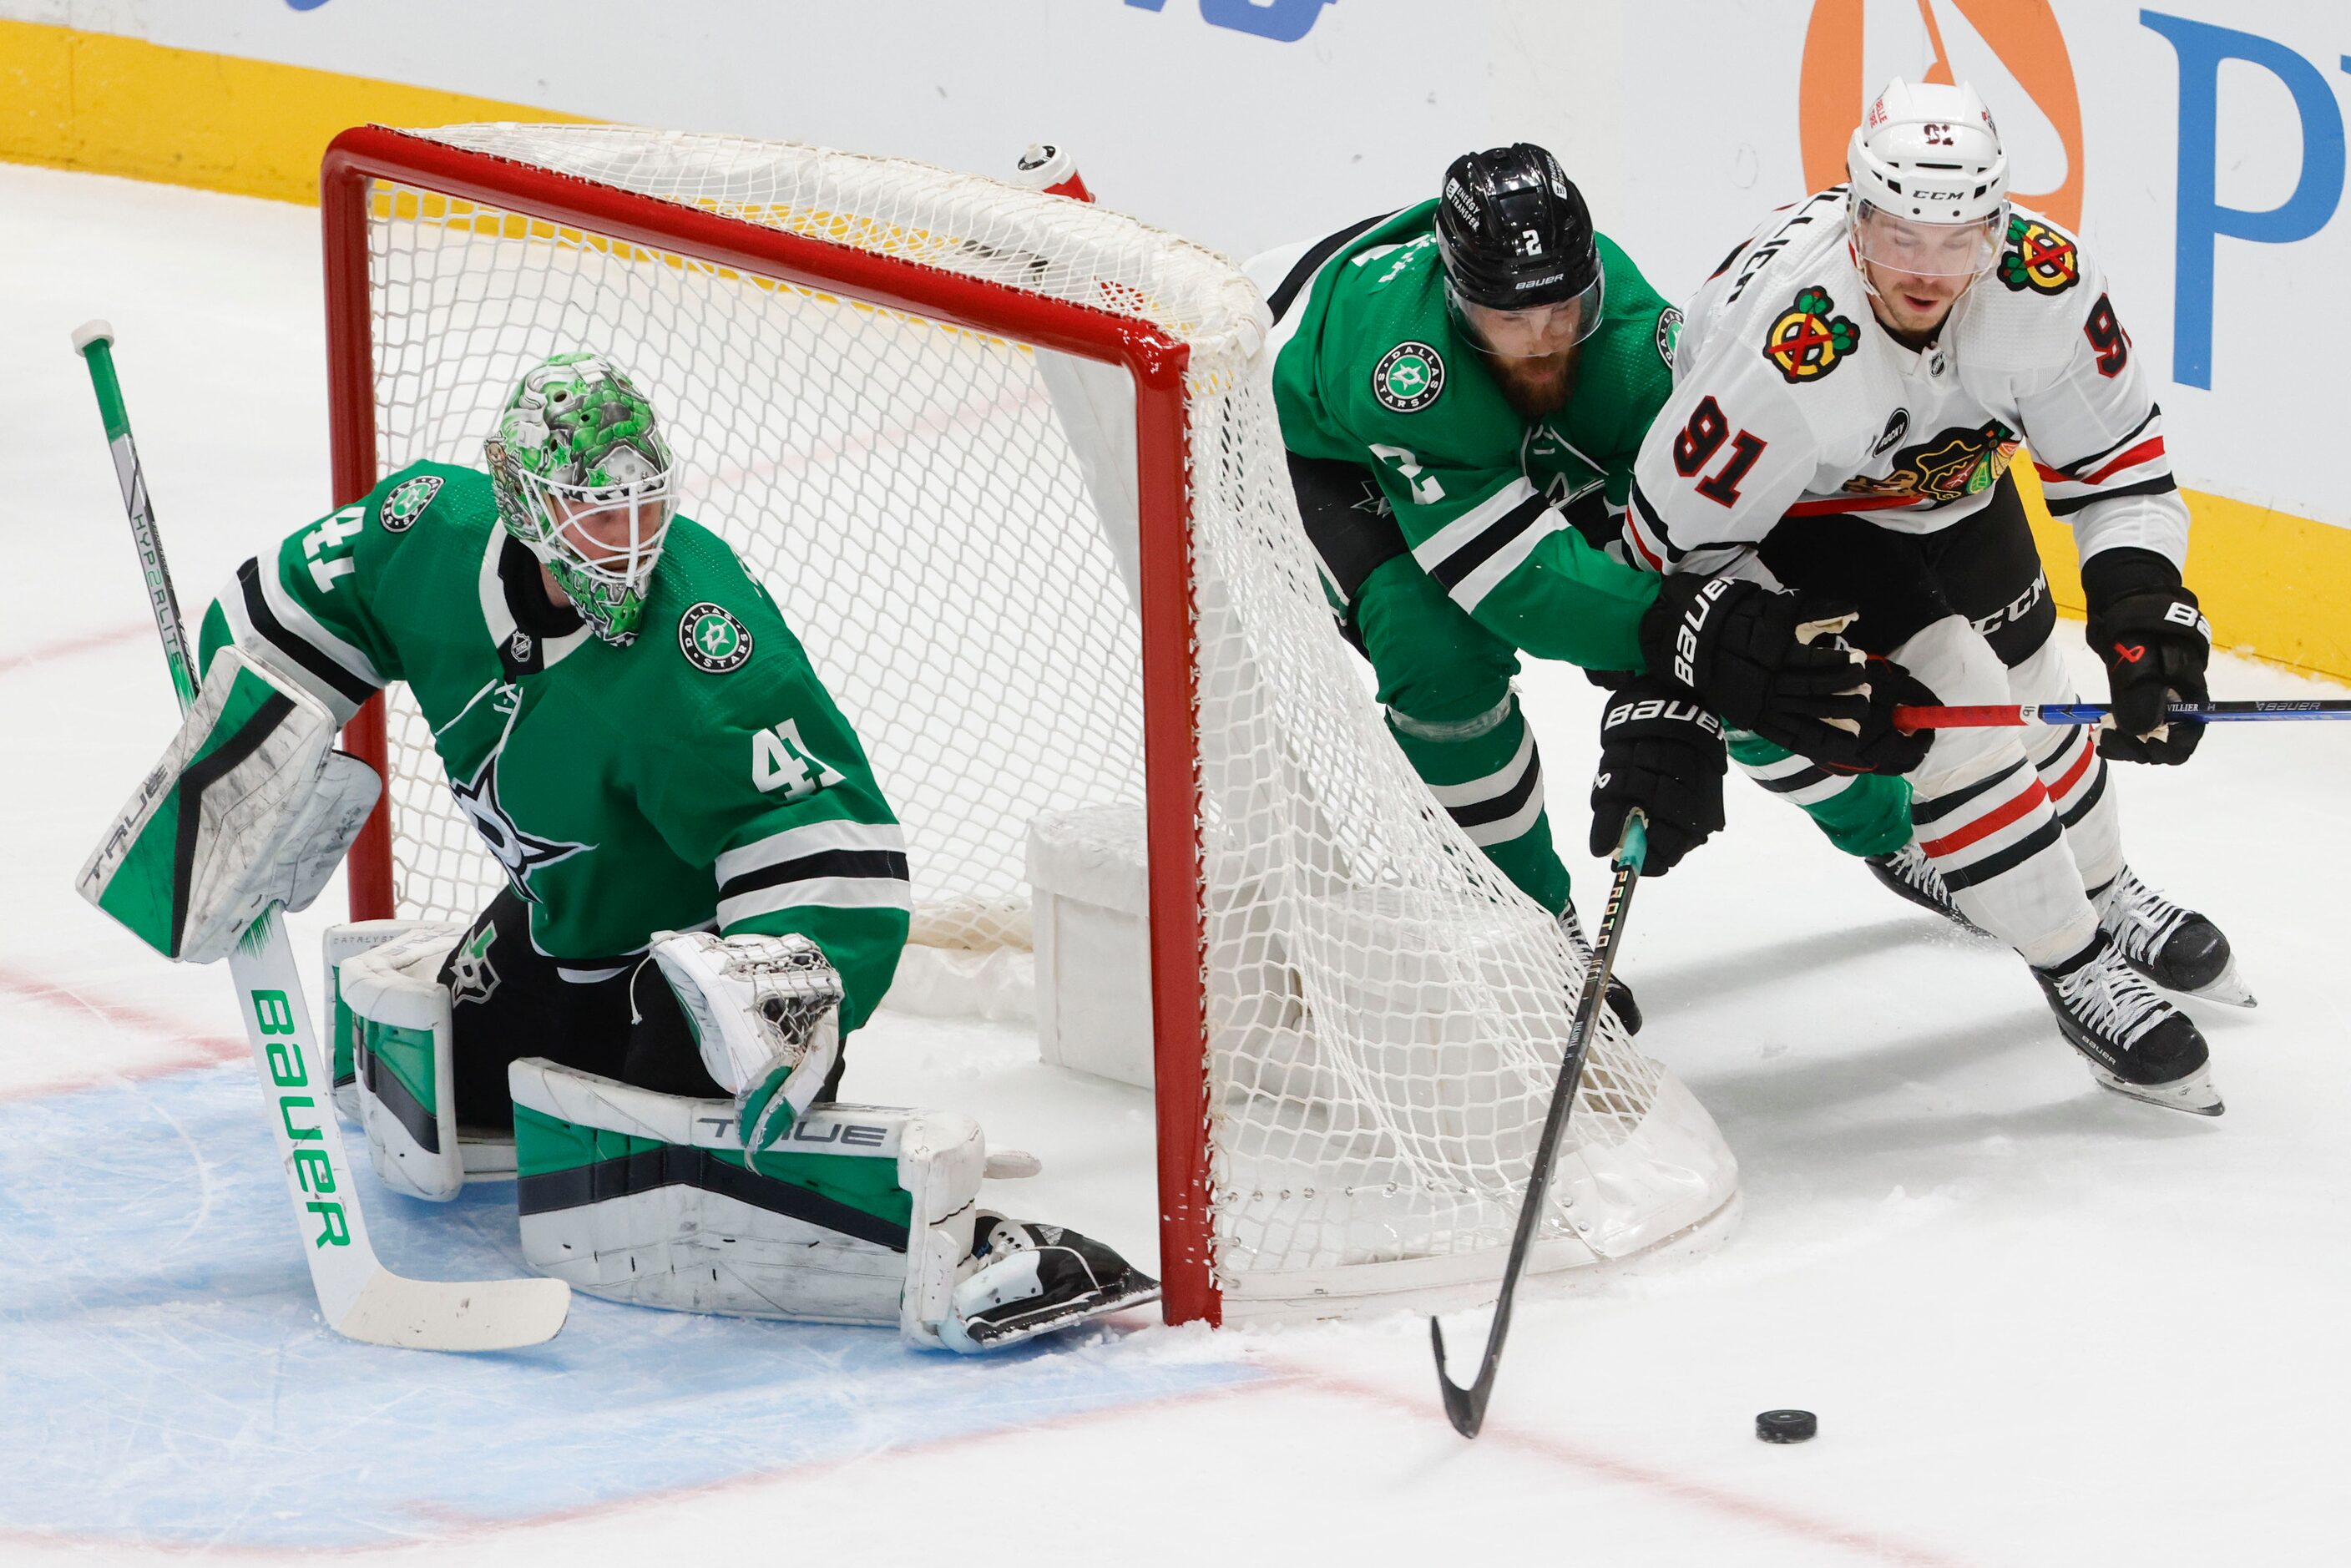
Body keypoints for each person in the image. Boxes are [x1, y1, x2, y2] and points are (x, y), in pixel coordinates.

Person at [92, 352, 1155, 1349]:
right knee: (433, 1099)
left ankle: (989, 1241)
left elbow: (833, 848)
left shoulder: (703, 646)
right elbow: (283, 607)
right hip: (565, 923)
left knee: (679, 1186)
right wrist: (249, 757)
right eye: (596, 516)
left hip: (693, 965)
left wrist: (782, 1008)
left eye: (645, 507)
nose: (629, 541)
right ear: (520, 506)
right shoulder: (425, 526)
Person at [1620, 78, 2247, 1115]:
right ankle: (2071, 958)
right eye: (1896, 233)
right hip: (1797, 521)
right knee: (1957, 708)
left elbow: (2118, 468)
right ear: (1852, 212)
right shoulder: (1777, 350)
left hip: (1952, 488)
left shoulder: (2044, 281)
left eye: (1956, 241)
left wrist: (2140, 606)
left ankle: (2101, 885)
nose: (1924, 269)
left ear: (1997, 228)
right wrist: (1758, 653)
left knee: (2037, 675)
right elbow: (1665, 546)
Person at [1257, 143, 1929, 1031]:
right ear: (1461, 305)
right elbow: (1513, 581)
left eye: (1561, 307)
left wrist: (1697, 665)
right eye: (1511, 317)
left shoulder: (1630, 341)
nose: (1543, 336)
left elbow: (1684, 549)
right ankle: (1529, 928)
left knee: (1740, 651)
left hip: (1473, 427)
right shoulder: (1402, 373)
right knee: (1433, 645)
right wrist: (1672, 647)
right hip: (1302, 439)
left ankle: (1890, 831)